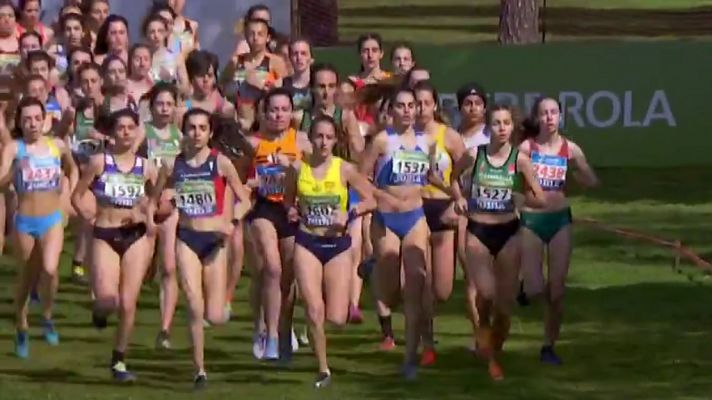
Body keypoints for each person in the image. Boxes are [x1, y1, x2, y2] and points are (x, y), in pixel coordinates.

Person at [147, 108, 250, 389]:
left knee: (214, 315)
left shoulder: (221, 164)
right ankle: (200, 370)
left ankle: (216, 311)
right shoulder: (172, 165)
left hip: (215, 242)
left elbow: (245, 200)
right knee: (194, 303)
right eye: (191, 128)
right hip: (187, 238)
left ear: (210, 133)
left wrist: (233, 221)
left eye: (202, 128)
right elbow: (154, 201)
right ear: (184, 131)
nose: (196, 133)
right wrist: (158, 213)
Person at [451, 104, 545, 381]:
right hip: (478, 231)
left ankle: (494, 349)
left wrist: (523, 199)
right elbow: (453, 178)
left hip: (509, 232)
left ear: (512, 127)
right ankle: (489, 355)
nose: (502, 128)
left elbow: (539, 197)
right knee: (486, 295)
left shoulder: (520, 160)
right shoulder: (473, 156)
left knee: (504, 308)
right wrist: (458, 197)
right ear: (487, 128)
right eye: (496, 123)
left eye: (506, 123)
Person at [285, 116, 375, 388]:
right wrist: (291, 210)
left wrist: (349, 213)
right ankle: (323, 368)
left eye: (328, 137)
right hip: (307, 242)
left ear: (336, 141)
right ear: (310, 139)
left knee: (335, 318)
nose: (323, 142)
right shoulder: (298, 169)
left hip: (337, 247)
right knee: (314, 310)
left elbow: (372, 198)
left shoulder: (344, 169)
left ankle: (324, 310)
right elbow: (289, 201)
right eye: (318, 137)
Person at [70, 108, 157, 382]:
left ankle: (119, 360)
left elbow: (155, 200)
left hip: (136, 236)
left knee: (129, 302)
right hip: (105, 234)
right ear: (112, 132)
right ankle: (99, 311)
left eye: (132, 127)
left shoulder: (148, 167)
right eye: (121, 128)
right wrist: (87, 215)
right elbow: (77, 195)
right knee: (109, 301)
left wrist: (148, 215)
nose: (127, 133)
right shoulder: (99, 162)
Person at [359, 88, 435, 380]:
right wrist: (380, 197)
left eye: (411, 106)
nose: (406, 110)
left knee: (415, 285)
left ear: (417, 110)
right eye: (400, 106)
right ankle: (374, 270)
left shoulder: (425, 142)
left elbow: (428, 176)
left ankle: (410, 358)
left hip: (415, 217)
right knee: (390, 295)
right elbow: (361, 179)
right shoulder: (381, 141)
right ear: (391, 111)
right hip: (386, 219)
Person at [518, 97, 598, 365]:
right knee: (536, 288)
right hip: (531, 220)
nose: (550, 117)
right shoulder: (526, 149)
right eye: (544, 113)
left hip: (560, 220)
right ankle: (524, 288)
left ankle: (548, 346)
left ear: (561, 116)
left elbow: (591, 181)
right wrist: (518, 201)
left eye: (554, 112)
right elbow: (509, 182)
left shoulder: (570, 149)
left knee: (557, 290)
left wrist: (582, 173)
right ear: (537, 118)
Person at [0, 97, 78, 358]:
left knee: (50, 268)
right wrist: (13, 173)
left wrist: (67, 195)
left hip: (51, 219)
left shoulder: (56, 146)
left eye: (37, 118)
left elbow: (72, 168)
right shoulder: (14, 148)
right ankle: (22, 326)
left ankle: (46, 315)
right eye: (26, 120)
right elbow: (1, 181)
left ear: (45, 120)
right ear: (19, 124)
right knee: (26, 279)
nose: (32, 124)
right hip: (24, 221)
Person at [245, 87, 310, 360]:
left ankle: (284, 328)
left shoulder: (303, 141)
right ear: (264, 112)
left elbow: (316, 173)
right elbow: (236, 179)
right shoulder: (253, 143)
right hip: (264, 208)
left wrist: (294, 168)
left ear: (291, 112)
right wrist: (252, 183)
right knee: (271, 267)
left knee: (288, 275)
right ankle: (269, 335)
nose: (279, 115)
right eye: (274, 109)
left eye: (284, 109)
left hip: (292, 211)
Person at [414, 80, 465, 365]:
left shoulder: (450, 137)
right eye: (416, 103)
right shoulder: (404, 137)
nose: (421, 108)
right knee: (424, 280)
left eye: (425, 103)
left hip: (444, 210)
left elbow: (465, 173)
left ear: (435, 105)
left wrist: (459, 200)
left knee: (443, 289)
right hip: (416, 210)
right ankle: (426, 342)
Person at [141, 83, 182, 349]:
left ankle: (164, 329)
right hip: (144, 203)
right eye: (160, 104)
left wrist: (174, 198)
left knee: (169, 266)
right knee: (143, 267)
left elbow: (191, 173)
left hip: (171, 203)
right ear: (151, 106)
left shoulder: (183, 136)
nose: (165, 109)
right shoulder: (141, 134)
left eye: (169, 104)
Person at [283, 38, 312, 112]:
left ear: (311, 57)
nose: (299, 58)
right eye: (295, 54)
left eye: (303, 53)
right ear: (290, 58)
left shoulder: (319, 83)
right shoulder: (281, 85)